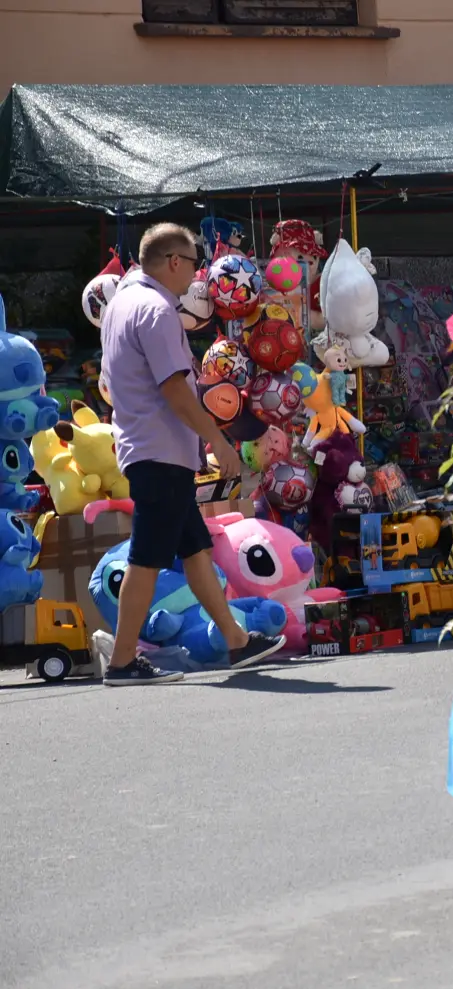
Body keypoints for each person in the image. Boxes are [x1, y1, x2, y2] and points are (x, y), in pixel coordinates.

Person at [100, 224, 285, 684]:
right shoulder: (156, 308)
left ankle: (236, 642)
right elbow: (176, 390)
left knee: (196, 548)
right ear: (174, 262)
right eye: (194, 263)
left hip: (148, 447)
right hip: (159, 450)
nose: (199, 275)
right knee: (147, 557)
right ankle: (122, 662)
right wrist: (219, 442)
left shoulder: (122, 303)